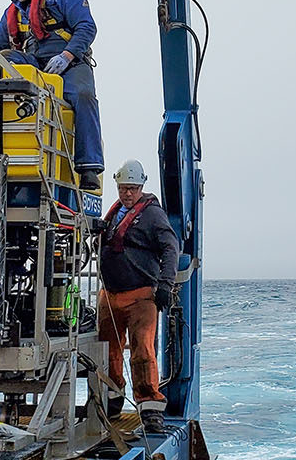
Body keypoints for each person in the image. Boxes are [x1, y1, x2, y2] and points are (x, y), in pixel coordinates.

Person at [0, 0, 105, 190]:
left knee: (83, 96)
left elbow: (86, 27)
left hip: (70, 63)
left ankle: (89, 167)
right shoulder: (13, 13)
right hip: (34, 64)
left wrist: (67, 54)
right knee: (4, 62)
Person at [97, 159, 180, 434]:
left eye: (132, 189)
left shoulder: (153, 215)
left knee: (143, 351)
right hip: (109, 296)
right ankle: (111, 400)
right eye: (123, 188)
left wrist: (166, 284)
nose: (127, 194)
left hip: (141, 296)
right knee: (108, 351)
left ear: (141, 187)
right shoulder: (114, 213)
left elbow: (170, 247)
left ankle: (151, 410)